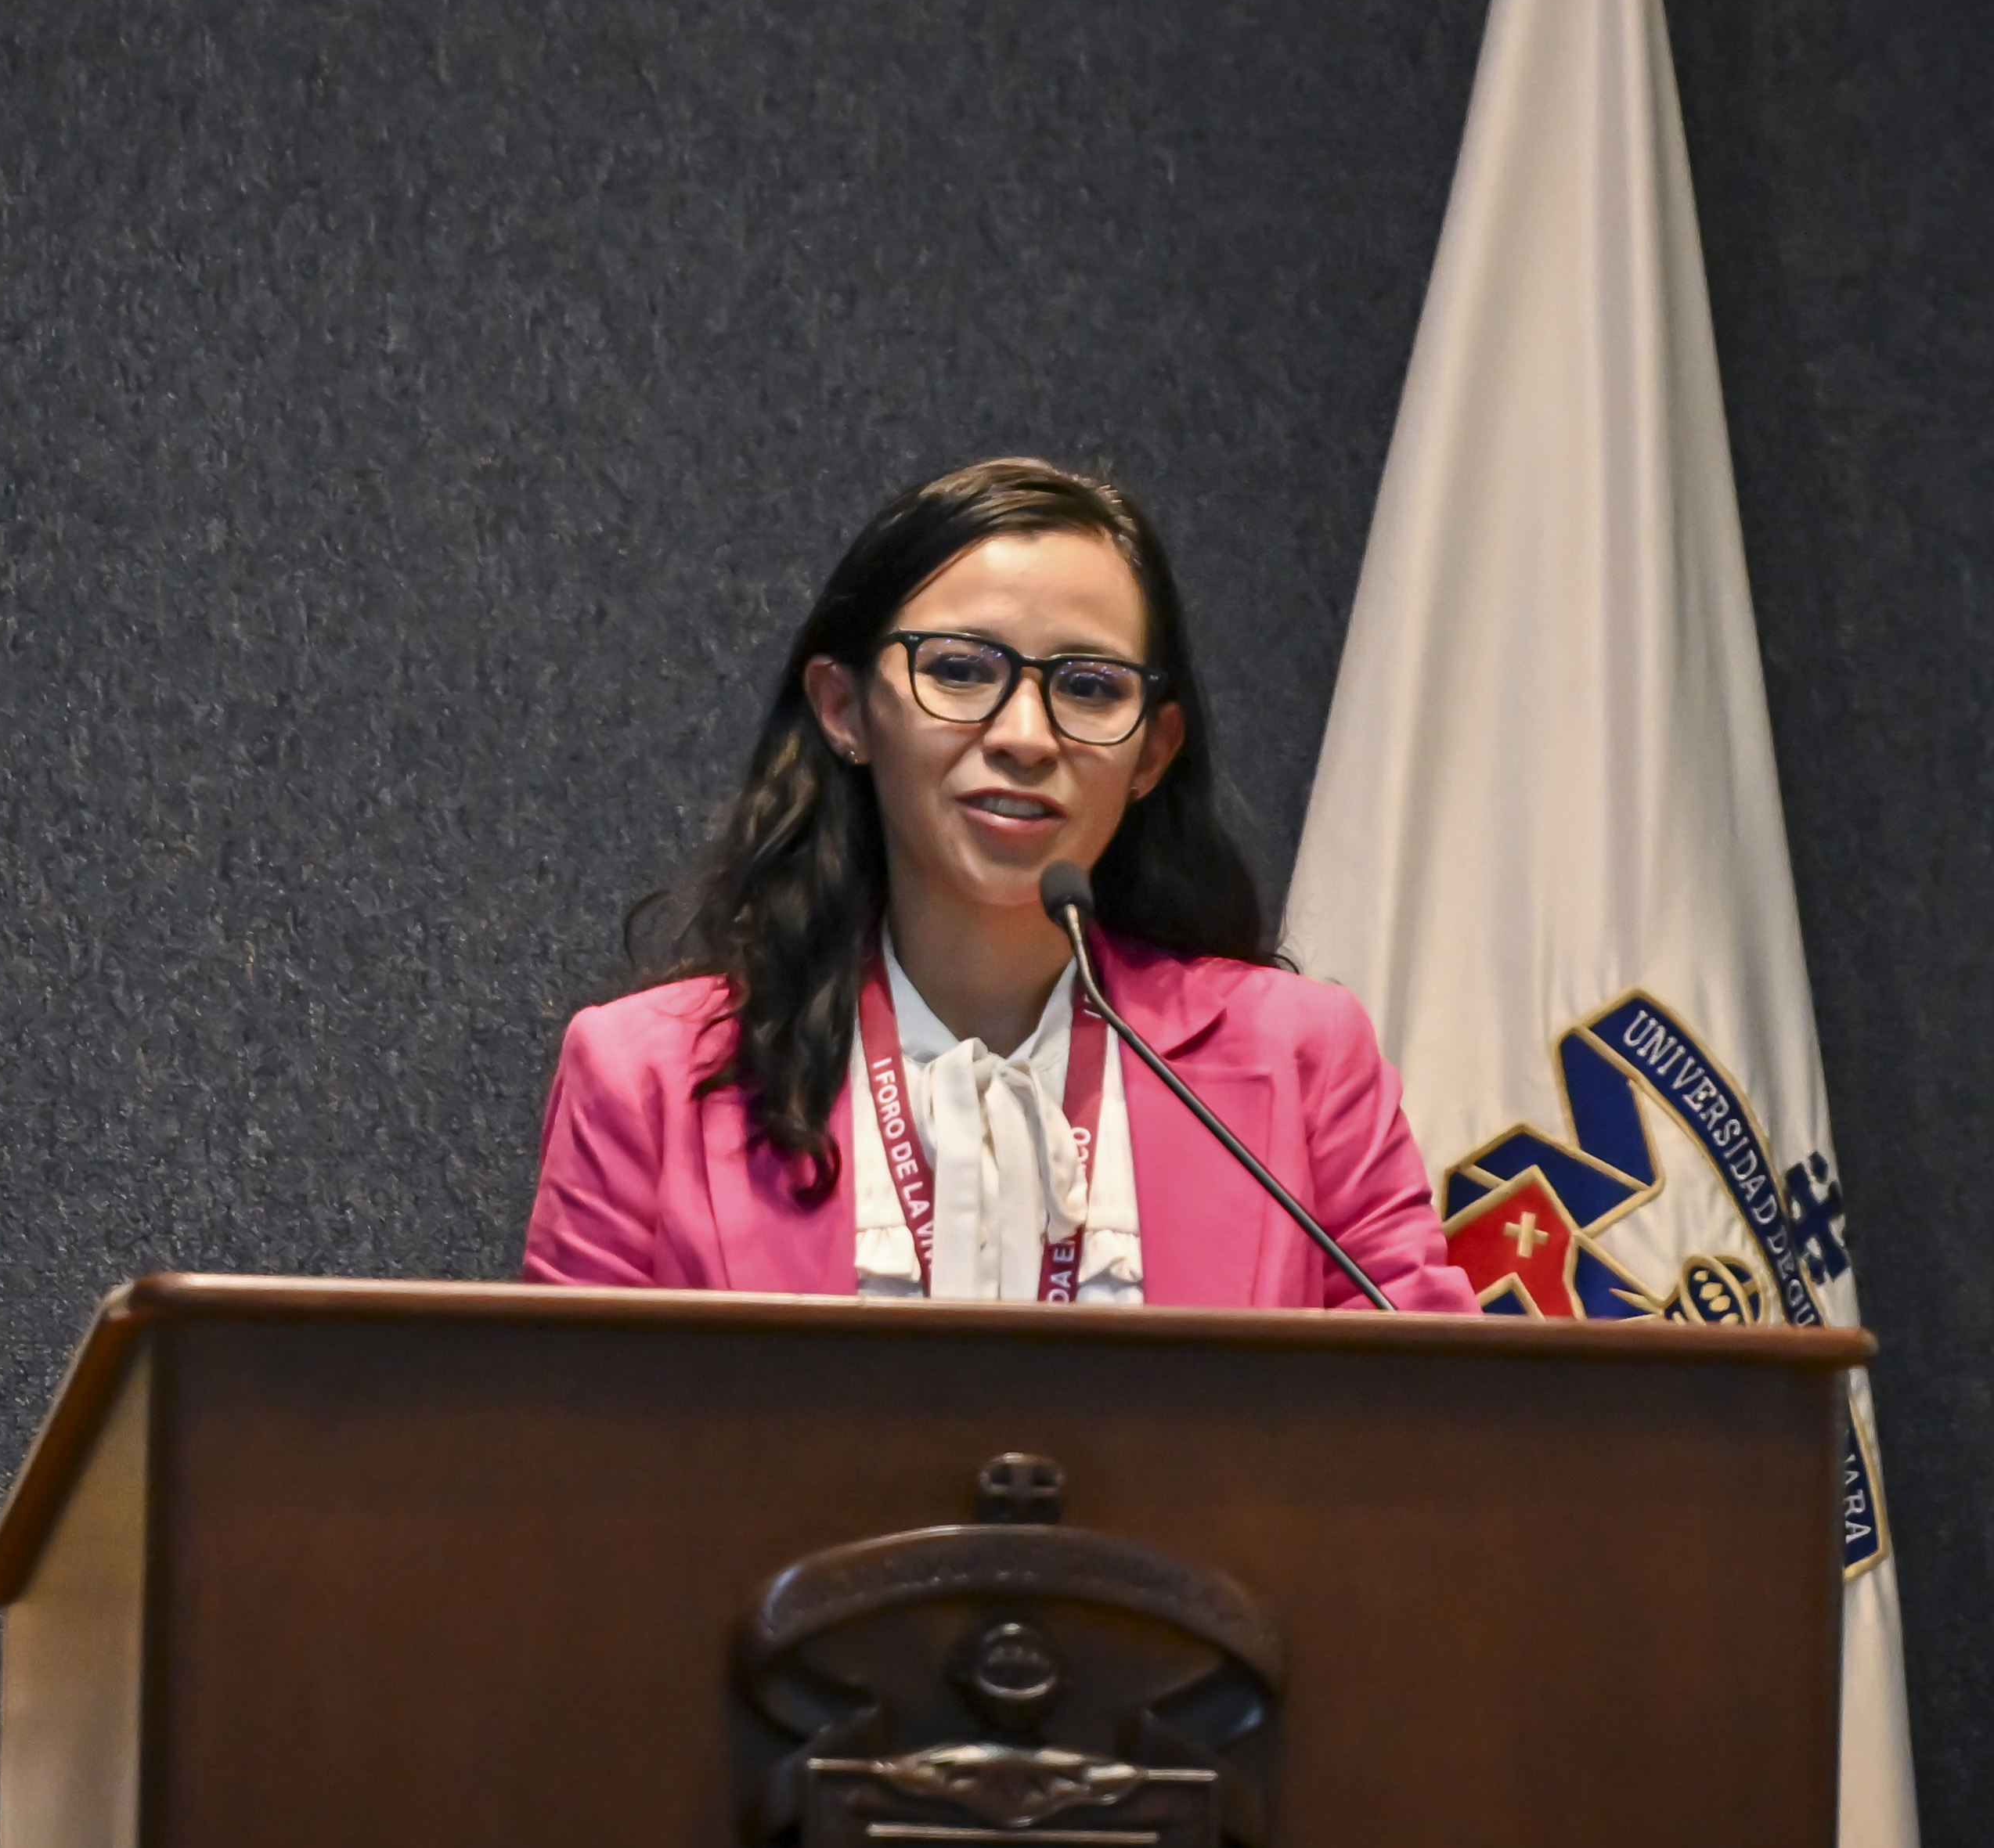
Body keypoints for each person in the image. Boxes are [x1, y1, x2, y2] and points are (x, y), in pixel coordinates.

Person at [521, 456, 1474, 1311]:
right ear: (845, 710)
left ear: (1152, 753)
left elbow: (1430, 1421)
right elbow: (569, 1437)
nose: (1025, 735)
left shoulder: (1304, 1059)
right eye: (962, 671)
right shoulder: (645, 1076)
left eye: (1090, 686)